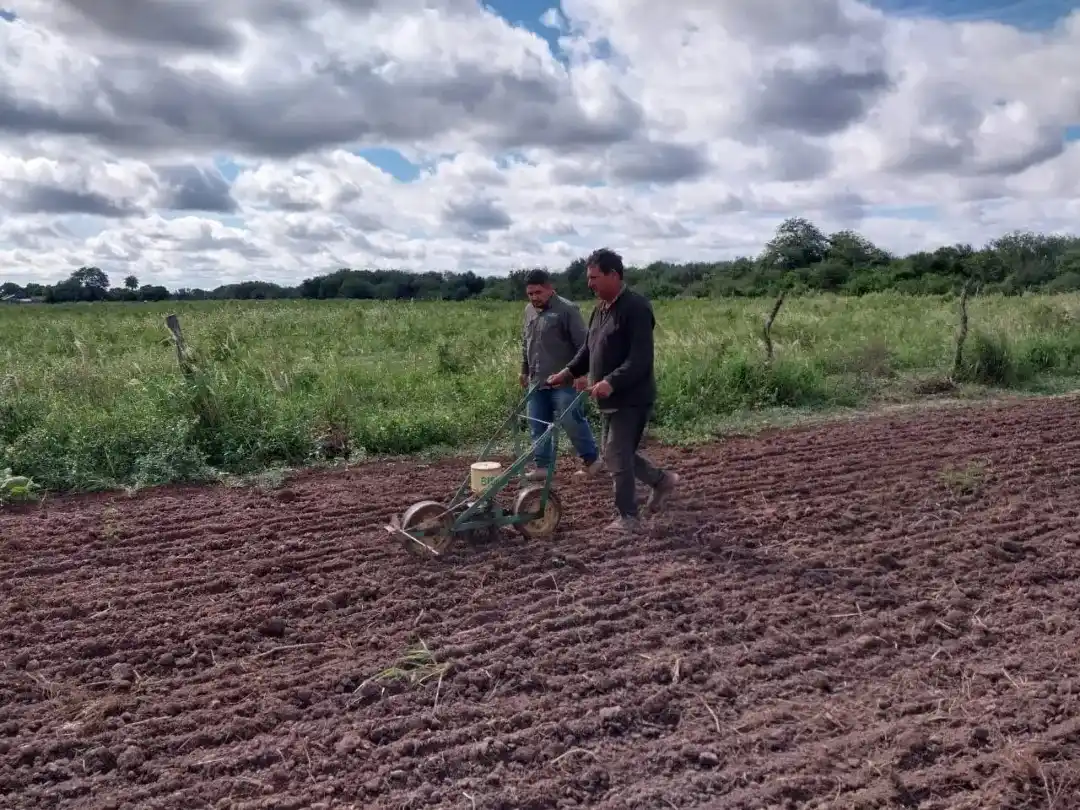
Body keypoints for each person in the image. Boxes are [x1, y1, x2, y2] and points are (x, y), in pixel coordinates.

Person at [547, 248, 679, 532]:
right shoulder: (600, 309)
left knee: (617, 454)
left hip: (631, 397)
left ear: (614, 275)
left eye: (595, 278)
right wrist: (568, 372)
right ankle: (661, 481)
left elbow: (640, 358)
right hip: (608, 397)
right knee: (616, 454)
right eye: (589, 278)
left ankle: (628, 517)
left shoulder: (636, 308)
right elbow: (588, 349)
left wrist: (612, 381)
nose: (590, 284)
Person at [520, 268, 603, 481]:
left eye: (538, 292)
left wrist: (581, 374)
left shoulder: (567, 310)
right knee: (537, 424)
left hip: (564, 380)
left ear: (550, 289)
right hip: (537, 380)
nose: (534, 298)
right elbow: (526, 342)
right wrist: (524, 370)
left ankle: (592, 461)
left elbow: (584, 345)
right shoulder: (529, 310)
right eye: (530, 293)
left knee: (572, 422)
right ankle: (543, 467)